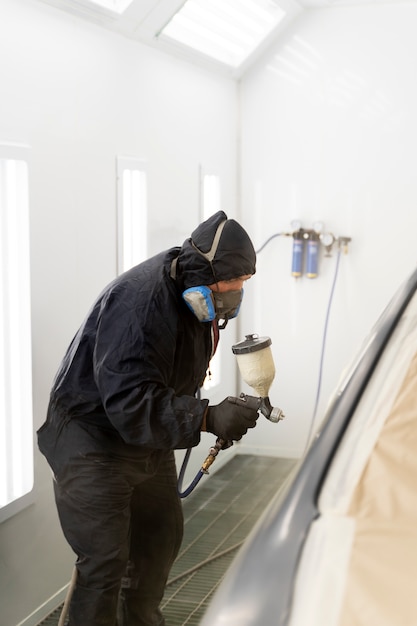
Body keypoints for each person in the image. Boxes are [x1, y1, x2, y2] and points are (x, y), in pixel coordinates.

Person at [37, 210, 259, 626]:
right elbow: (129, 401)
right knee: (104, 560)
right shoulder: (140, 303)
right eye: (235, 281)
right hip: (92, 439)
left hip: (143, 440)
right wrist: (206, 418)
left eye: (244, 283)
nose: (238, 291)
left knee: (159, 538)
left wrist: (211, 414)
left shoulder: (194, 296)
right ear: (209, 272)